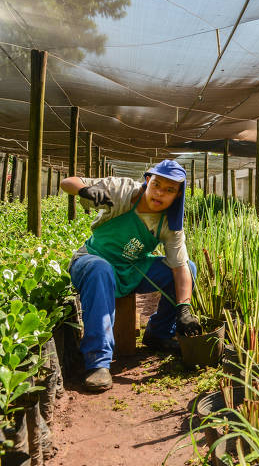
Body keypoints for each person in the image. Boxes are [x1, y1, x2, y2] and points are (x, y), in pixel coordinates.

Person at [61, 160, 202, 392]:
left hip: (131, 268)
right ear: (148, 181)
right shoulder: (123, 191)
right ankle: (98, 361)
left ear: (178, 195)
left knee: (190, 267)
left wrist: (184, 309)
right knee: (101, 269)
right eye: (157, 184)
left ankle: (158, 333)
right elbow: (68, 182)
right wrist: (85, 189)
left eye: (169, 190)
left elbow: (179, 268)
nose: (159, 193)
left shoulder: (170, 223)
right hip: (92, 261)